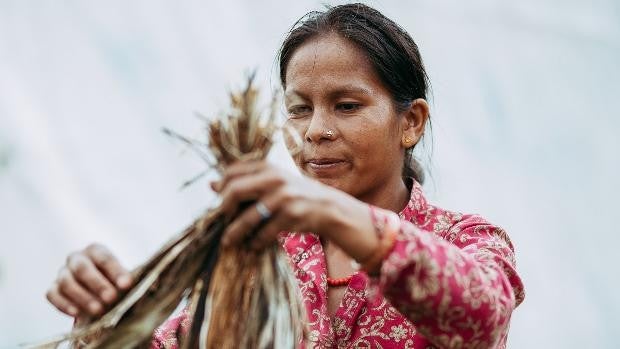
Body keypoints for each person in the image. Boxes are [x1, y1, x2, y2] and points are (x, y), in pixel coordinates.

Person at [45, 3, 524, 348]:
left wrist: (336, 213)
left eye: (347, 106)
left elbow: (482, 315)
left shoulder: (466, 240)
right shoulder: (258, 257)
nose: (315, 131)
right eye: (299, 109)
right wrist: (104, 320)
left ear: (411, 122)